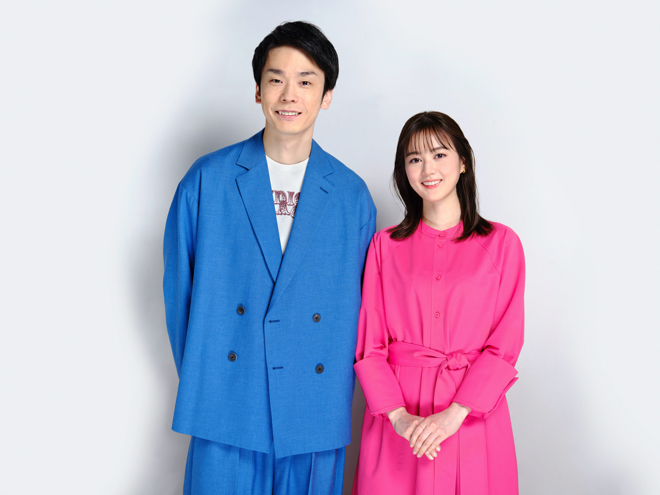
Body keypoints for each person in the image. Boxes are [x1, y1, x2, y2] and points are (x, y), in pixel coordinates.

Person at [163, 21, 376, 495]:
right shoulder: (207, 180)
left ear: (327, 96)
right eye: (276, 79)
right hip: (226, 402)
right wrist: (213, 376)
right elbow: (180, 296)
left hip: (313, 409)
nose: (289, 94)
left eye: (306, 81)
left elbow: (366, 310)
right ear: (258, 90)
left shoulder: (351, 196)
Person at [353, 112, 525, 494]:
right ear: (404, 171)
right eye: (415, 158)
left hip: (472, 418)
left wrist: (455, 414)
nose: (427, 169)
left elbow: (505, 344)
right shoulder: (384, 246)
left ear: (463, 162)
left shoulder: (502, 244)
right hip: (399, 421)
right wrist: (399, 418)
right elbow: (370, 346)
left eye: (439, 154)